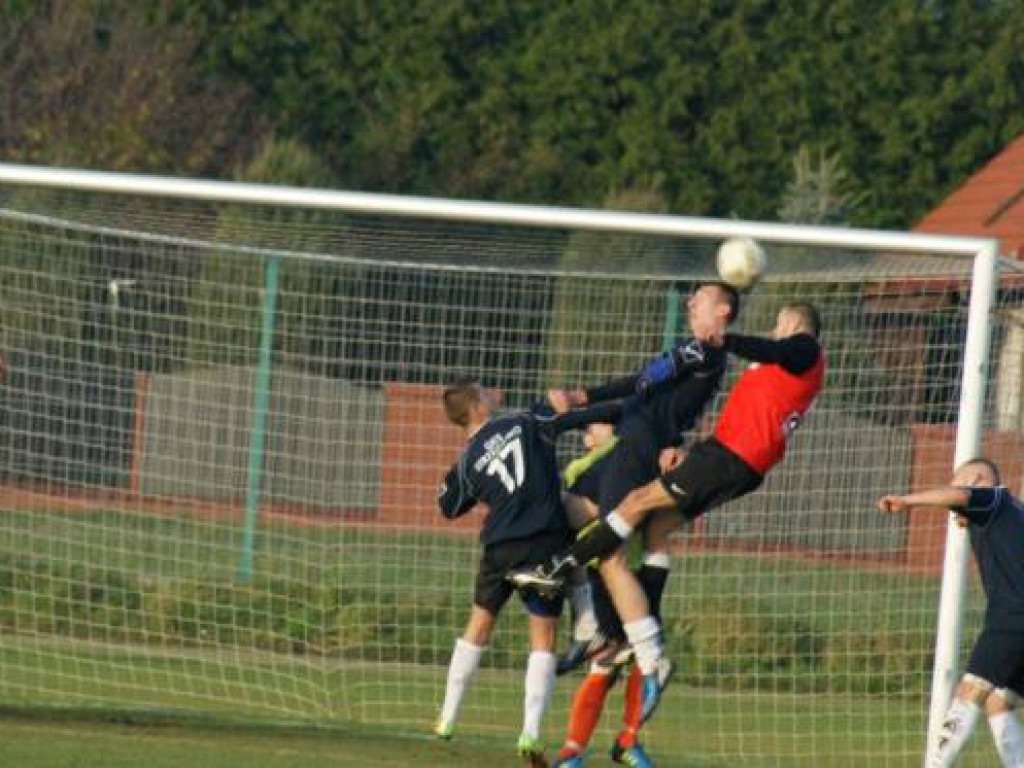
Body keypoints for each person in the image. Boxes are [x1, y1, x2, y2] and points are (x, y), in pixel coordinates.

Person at [511, 302, 825, 724]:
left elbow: (781, 352)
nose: (774, 328)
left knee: (635, 504)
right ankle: (642, 624)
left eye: (779, 322)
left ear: (790, 322)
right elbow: (752, 412)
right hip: (728, 458)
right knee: (657, 524)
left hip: (730, 459)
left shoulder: (804, 350)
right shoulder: (782, 366)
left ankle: (565, 570)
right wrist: (687, 450)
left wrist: (728, 339)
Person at [550, 281, 740, 671]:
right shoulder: (694, 354)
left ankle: (628, 638)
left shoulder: (705, 350)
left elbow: (640, 382)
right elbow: (637, 394)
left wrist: (580, 400)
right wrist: (575, 408)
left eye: (700, 298)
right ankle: (597, 623)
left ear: (722, 312)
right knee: (562, 514)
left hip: (638, 451)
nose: (690, 302)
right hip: (626, 445)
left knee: (609, 552)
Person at [433, 380, 620, 766]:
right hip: (542, 540)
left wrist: (463, 480)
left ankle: (447, 717)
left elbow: (448, 506)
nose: (493, 396)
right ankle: (530, 732)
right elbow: (565, 416)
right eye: (485, 393)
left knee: (478, 626)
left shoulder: (467, 462)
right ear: (476, 407)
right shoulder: (525, 419)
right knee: (543, 637)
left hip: (499, 546)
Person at [878, 458, 1024, 767]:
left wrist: (907, 501)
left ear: (977, 480)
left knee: (970, 692)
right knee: (999, 704)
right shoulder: (1013, 513)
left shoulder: (993, 497)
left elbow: (960, 497)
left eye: (959, 483)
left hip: (1012, 621)